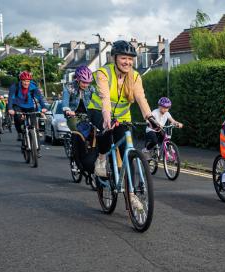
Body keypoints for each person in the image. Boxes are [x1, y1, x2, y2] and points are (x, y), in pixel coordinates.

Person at [86, 40, 159, 178]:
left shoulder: (135, 76)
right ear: (114, 58)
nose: (127, 62)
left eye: (130, 59)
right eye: (123, 58)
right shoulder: (104, 73)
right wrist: (107, 116)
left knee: (127, 152)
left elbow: (141, 98)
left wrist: (150, 118)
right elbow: (105, 97)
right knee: (106, 129)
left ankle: (132, 195)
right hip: (98, 110)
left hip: (122, 116)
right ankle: (101, 159)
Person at [7, 71, 49, 143]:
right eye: (24, 81)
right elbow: (10, 98)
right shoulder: (15, 87)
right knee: (18, 118)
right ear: (21, 80)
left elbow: (39, 98)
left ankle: (36, 147)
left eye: (28, 81)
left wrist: (44, 107)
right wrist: (10, 108)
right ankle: (20, 132)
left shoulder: (33, 87)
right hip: (18, 105)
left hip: (29, 106)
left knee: (34, 125)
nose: (26, 83)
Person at [62, 65, 96, 131]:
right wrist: (67, 110)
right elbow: (65, 101)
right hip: (73, 116)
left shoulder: (91, 88)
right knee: (78, 131)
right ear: (78, 79)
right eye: (83, 82)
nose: (86, 85)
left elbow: (97, 101)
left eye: (88, 83)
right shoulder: (69, 87)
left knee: (97, 131)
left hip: (88, 116)